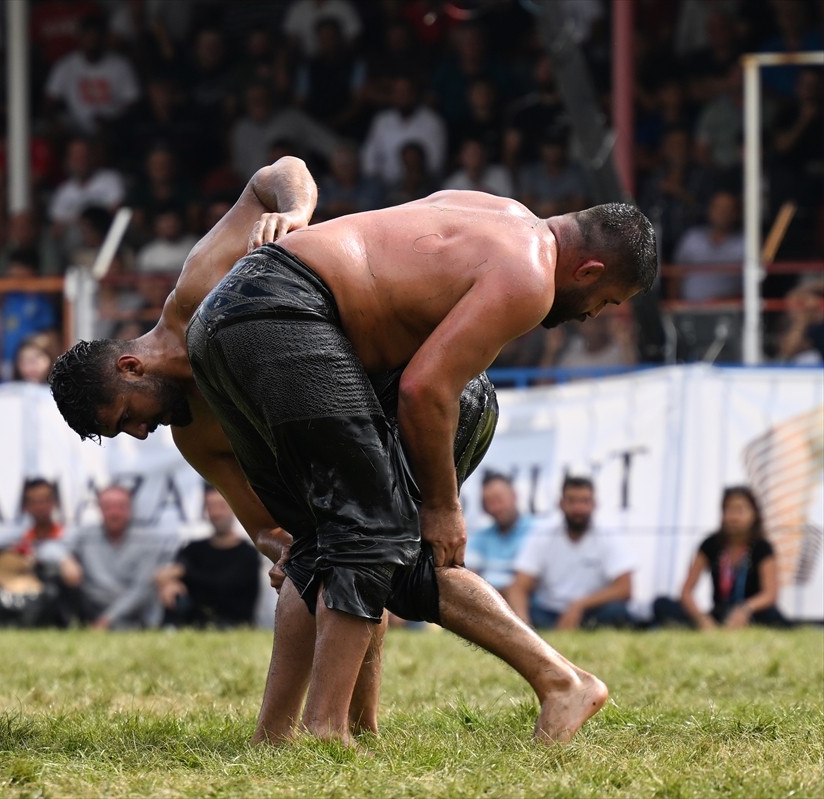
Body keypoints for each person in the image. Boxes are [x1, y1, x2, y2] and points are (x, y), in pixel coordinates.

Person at [51, 165, 655, 745]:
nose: (139, 434)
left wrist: (296, 211)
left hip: (390, 369)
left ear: (130, 368)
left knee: (367, 538)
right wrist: (282, 547)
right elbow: (268, 527)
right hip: (343, 349)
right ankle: (329, 729)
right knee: (340, 544)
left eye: (126, 419)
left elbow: (282, 170)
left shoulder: (203, 289)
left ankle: (528, 687)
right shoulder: (198, 427)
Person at [506, 477, 635, 630]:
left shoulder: (608, 535)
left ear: (594, 505)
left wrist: (579, 606)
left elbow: (625, 588)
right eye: (572, 501)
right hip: (549, 612)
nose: (578, 508)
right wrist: (523, 625)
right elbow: (519, 586)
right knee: (520, 611)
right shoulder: (543, 534)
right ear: (561, 504)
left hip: (591, 611)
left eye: (584, 501)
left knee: (617, 612)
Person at [652, 486, 790, 629]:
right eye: (728, 510)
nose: (733, 517)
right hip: (719, 614)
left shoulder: (762, 547)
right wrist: (701, 619)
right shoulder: (711, 544)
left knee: (774, 617)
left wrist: (745, 609)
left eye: (740, 510)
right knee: (661, 604)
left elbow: (770, 595)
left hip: (752, 613)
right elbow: (686, 592)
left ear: (754, 514)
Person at [61, 485, 178, 631]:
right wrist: (65, 560)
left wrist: (107, 620)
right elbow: (50, 548)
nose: (114, 513)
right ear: (100, 509)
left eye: (120, 507)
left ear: (130, 509)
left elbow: (141, 589)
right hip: (92, 607)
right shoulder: (85, 535)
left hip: (134, 614)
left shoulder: (148, 542)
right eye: (108, 507)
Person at [155, 486, 261, 629]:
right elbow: (164, 574)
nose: (216, 513)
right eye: (211, 506)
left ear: (234, 509)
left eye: (221, 506)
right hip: (193, 622)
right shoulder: (193, 549)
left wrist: (186, 572)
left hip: (231, 624)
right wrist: (169, 584)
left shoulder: (247, 554)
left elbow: (223, 587)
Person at [466, 473, 534, 595]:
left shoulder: (537, 531)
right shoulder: (480, 536)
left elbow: (529, 582)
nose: (495, 508)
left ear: (514, 496)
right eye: (489, 502)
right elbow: (469, 576)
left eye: (499, 500)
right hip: (484, 601)